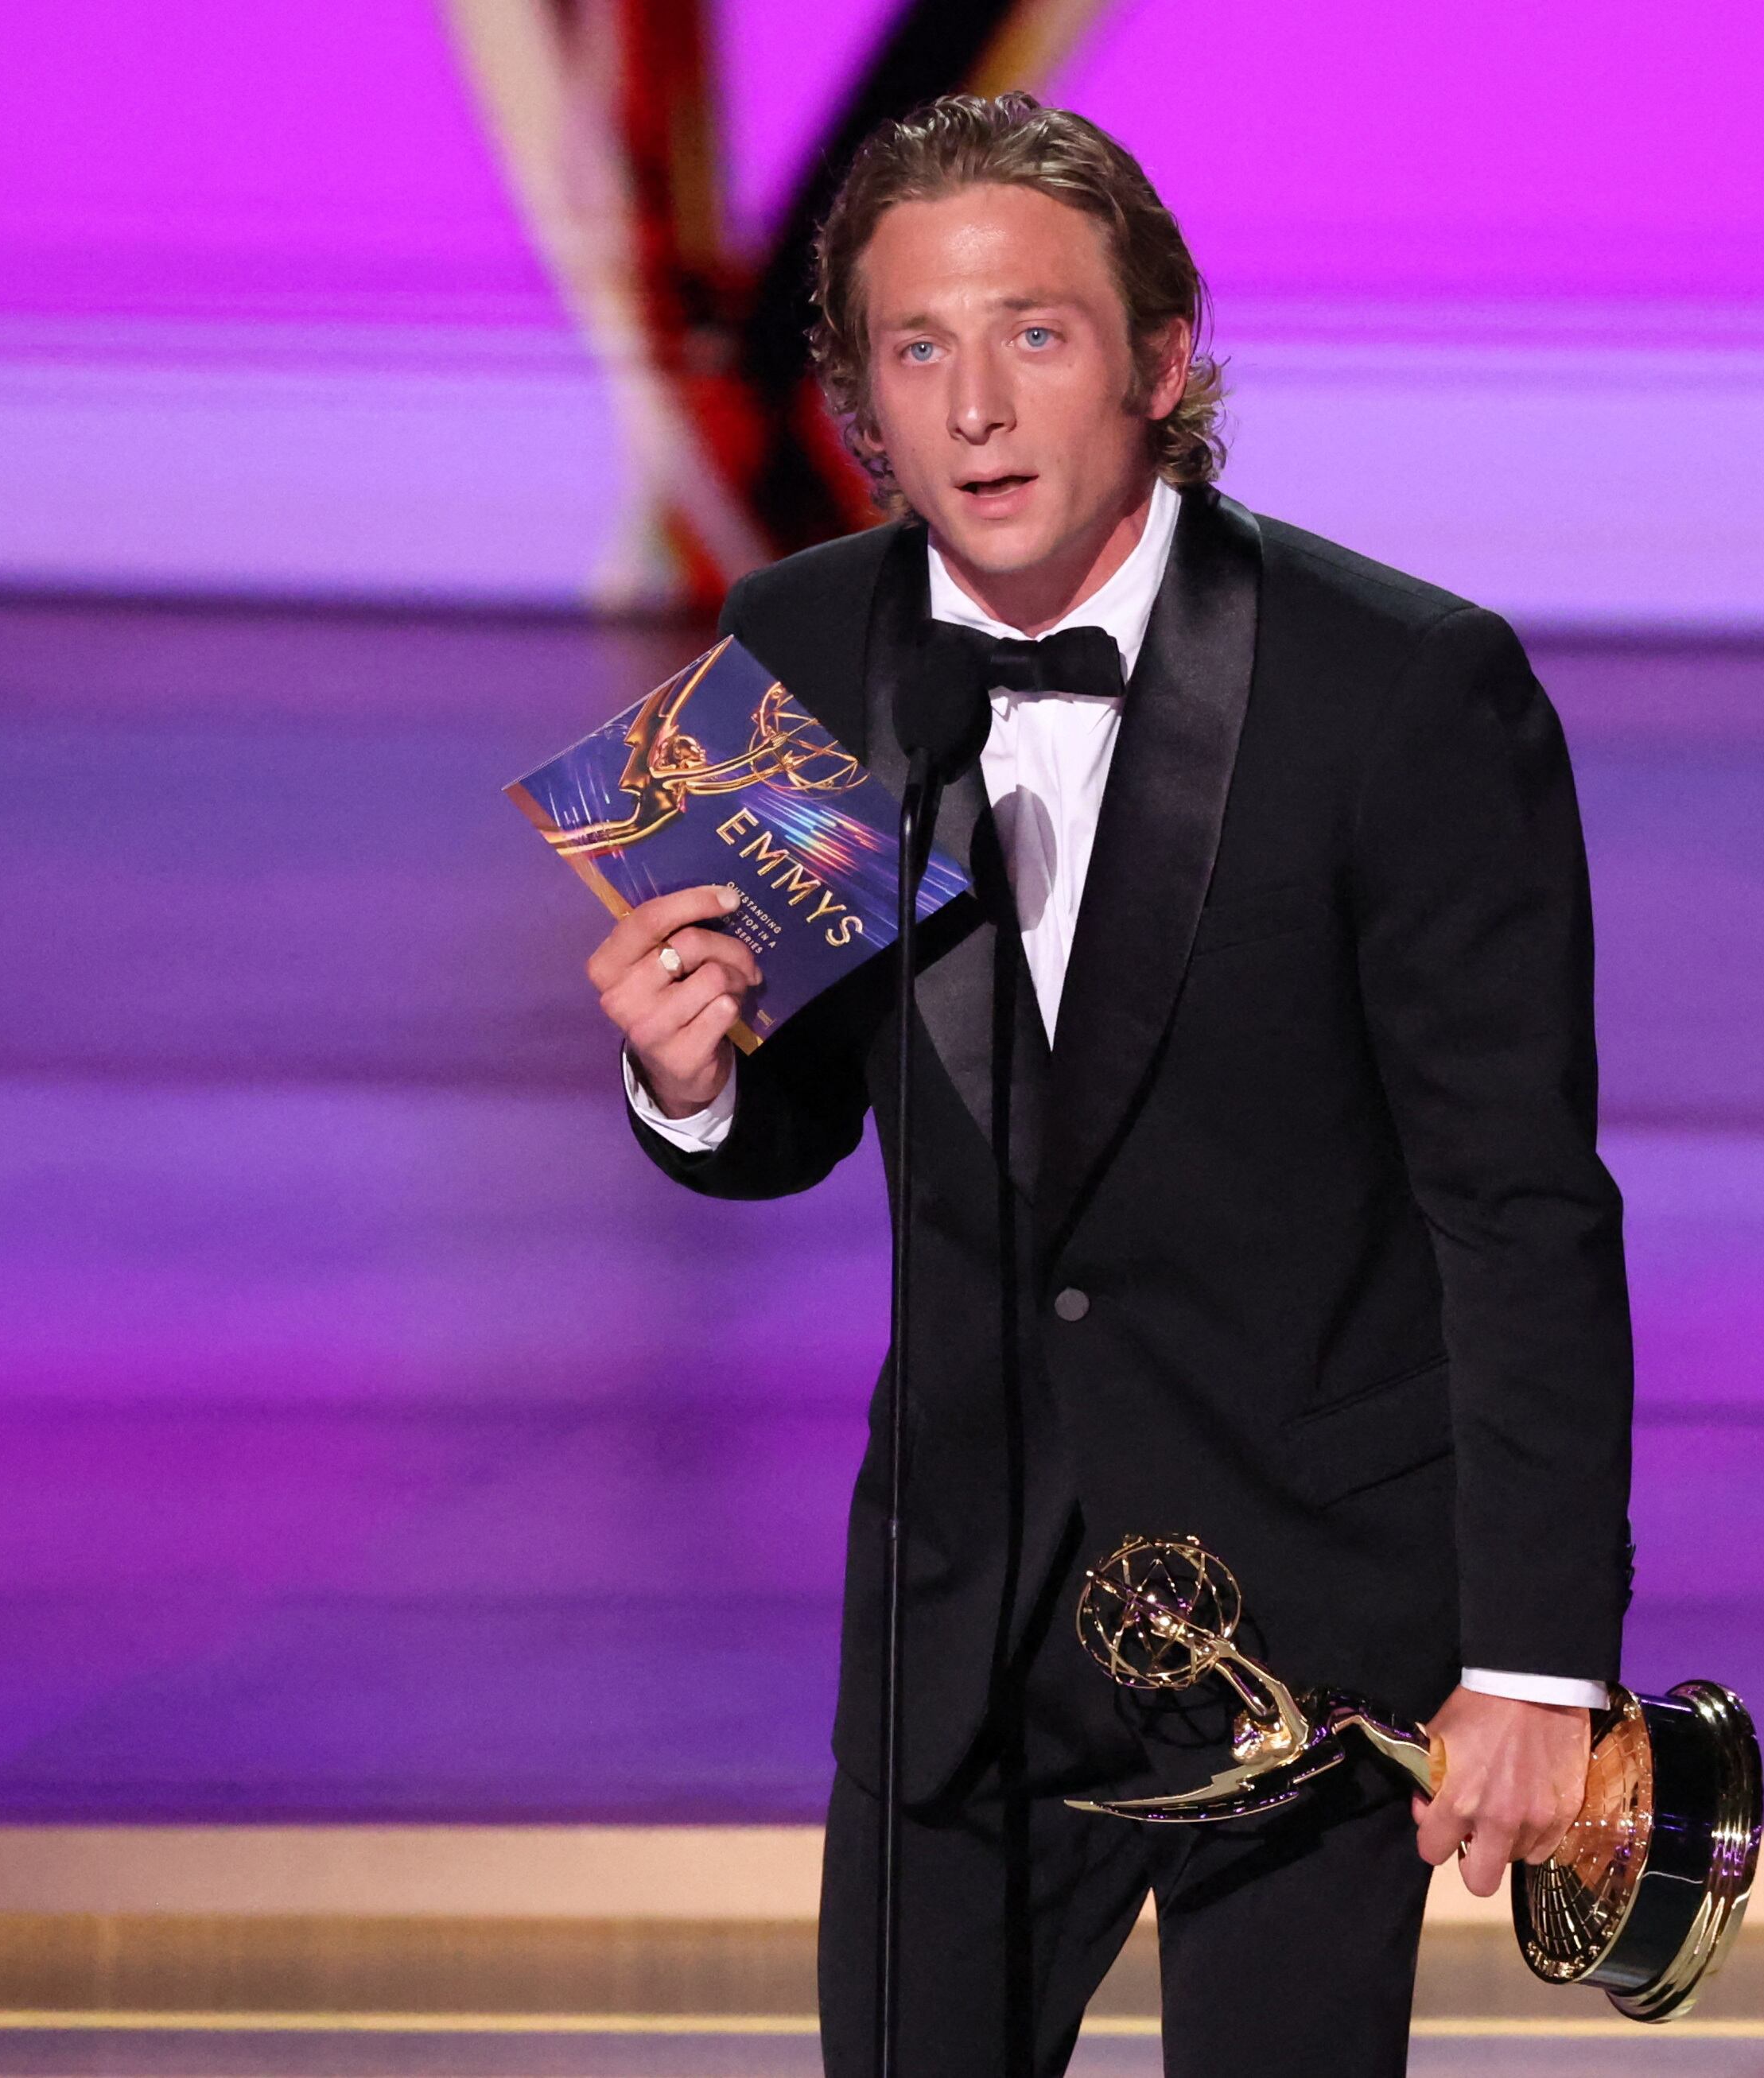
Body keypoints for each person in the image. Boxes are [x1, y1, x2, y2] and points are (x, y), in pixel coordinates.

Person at [583, 93, 1633, 2077]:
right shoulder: (802, 644)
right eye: (918, 350)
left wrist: (1531, 1659)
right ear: (862, 404)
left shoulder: (1404, 686)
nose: (976, 407)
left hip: (1307, 1620)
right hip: (960, 1606)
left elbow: (1517, 1204)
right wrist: (689, 1082)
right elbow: (793, 1111)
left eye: (1034, 335)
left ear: (1162, 360)